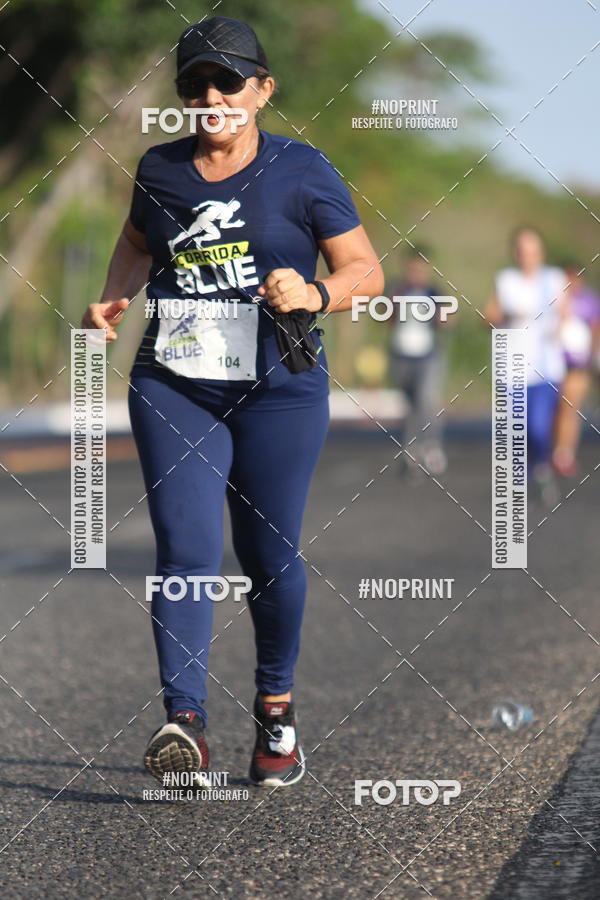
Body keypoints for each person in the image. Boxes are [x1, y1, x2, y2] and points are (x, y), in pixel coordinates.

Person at [81, 16, 383, 788]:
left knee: (268, 556)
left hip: (278, 390)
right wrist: (112, 298)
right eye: (193, 84)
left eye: (226, 81)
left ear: (262, 90)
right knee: (186, 549)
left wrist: (316, 291)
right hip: (173, 382)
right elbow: (138, 242)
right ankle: (184, 720)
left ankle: (275, 714)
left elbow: (364, 272)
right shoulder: (160, 168)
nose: (210, 96)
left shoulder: (303, 170)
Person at [485, 227, 567, 501]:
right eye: (521, 250)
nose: (527, 256)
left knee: (539, 427)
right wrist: (505, 315)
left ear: (541, 252)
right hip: (512, 368)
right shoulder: (505, 280)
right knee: (515, 428)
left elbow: (566, 315)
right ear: (515, 253)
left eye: (532, 250)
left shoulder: (554, 279)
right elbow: (488, 317)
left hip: (547, 368)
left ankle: (541, 468)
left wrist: (561, 330)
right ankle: (520, 482)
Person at [388, 247, 449, 476]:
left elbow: (448, 320)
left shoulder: (434, 292)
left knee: (426, 401)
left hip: (428, 355)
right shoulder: (397, 290)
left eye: (420, 270)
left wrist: (439, 315)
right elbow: (386, 320)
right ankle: (411, 449)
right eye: (412, 269)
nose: (416, 274)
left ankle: (432, 446)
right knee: (409, 404)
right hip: (401, 354)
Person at [552, 264, 600, 476]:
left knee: (570, 408)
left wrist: (591, 356)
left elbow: (595, 328)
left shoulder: (589, 301)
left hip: (578, 363)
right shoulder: (553, 299)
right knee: (553, 409)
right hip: (553, 361)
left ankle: (564, 453)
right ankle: (549, 449)